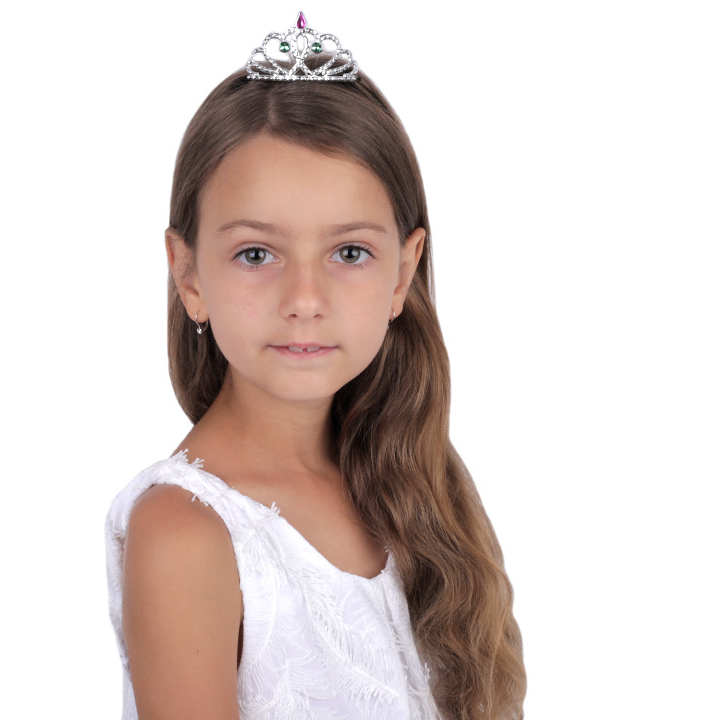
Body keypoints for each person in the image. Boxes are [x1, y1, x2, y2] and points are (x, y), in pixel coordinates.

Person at [105, 13, 526, 720]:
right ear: (188, 274)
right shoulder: (186, 532)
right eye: (256, 254)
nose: (305, 300)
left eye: (349, 253)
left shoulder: (415, 491)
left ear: (403, 273)